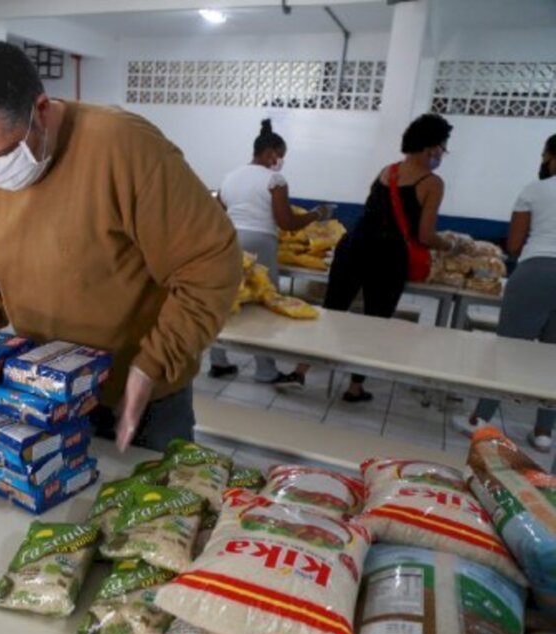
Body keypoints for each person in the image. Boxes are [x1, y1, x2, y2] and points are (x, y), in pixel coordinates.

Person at [0, 41, 241, 453]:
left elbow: (210, 264)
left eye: (4, 154)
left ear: (41, 110)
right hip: (43, 395)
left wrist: (150, 367)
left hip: (137, 401)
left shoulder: (124, 147)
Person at [288, 113, 455, 402]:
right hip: (388, 257)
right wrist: (452, 245)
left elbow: (371, 213)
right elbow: (426, 236)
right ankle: (354, 387)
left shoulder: (387, 171)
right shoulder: (432, 183)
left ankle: (300, 371)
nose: (442, 154)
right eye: (442, 147)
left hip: (353, 247)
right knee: (374, 324)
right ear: (432, 147)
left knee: (331, 312)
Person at [452, 134, 556, 454]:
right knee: (553, 358)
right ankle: (543, 433)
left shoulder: (535, 190)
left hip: (536, 271)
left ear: (550, 155)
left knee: (508, 350)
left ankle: (480, 418)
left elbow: (513, 244)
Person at [207, 119, 331, 386]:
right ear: (271, 153)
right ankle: (265, 370)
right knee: (266, 302)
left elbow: (218, 213)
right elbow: (286, 222)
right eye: (281, 156)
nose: (281, 161)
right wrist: (316, 214)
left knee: (226, 301)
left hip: (230, 242)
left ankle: (218, 362)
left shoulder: (230, 176)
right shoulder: (275, 179)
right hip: (261, 242)